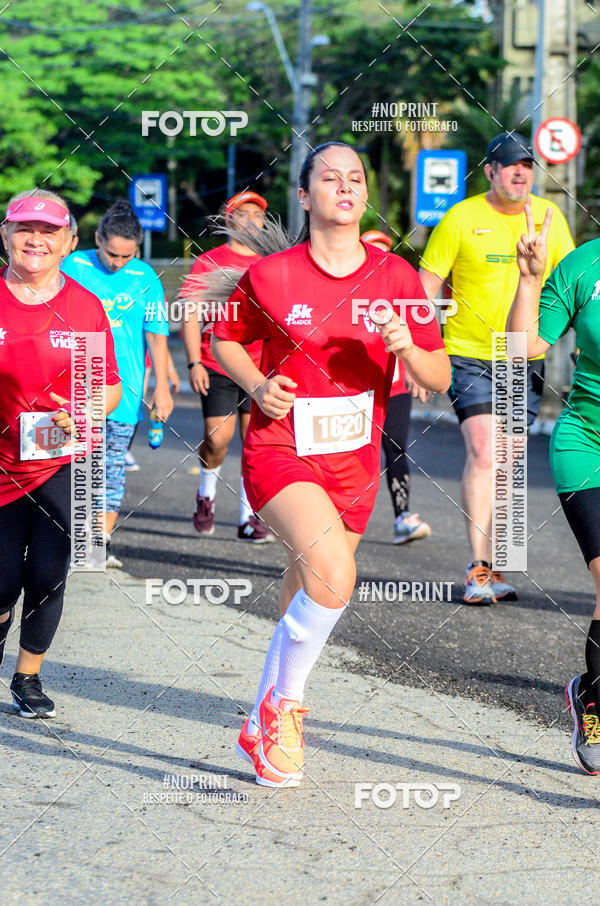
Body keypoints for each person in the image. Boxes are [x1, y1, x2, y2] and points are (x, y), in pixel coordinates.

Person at [211, 142, 450, 787]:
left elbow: (437, 374)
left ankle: (261, 718)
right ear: (304, 194)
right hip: (280, 448)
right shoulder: (271, 275)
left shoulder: (397, 277)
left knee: (306, 580)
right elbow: (225, 340)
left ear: (365, 194)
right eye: (329, 177)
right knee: (335, 575)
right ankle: (285, 708)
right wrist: (258, 385)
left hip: (355, 461)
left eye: (355, 178)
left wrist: (408, 348)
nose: (345, 187)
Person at [419, 131, 574, 604]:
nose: (521, 172)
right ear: (490, 171)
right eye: (510, 164)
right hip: (467, 353)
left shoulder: (550, 218)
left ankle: (501, 564)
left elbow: (571, 286)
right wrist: (420, 355)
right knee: (486, 453)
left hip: (521, 356)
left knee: (508, 462)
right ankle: (478, 566)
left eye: (527, 164)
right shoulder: (461, 217)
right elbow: (425, 289)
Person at [0, 189, 121, 717]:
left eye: (49, 232)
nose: (36, 240)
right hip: (2, 464)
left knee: (49, 574)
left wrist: (87, 408)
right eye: (24, 229)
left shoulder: (83, 307)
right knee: (2, 577)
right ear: (5, 235)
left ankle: (28, 678)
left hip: (65, 460)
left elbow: (108, 386)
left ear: (69, 241)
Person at [508, 207, 600, 774]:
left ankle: (588, 687)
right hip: (588, 444)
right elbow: (523, 346)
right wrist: (528, 279)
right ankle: (597, 708)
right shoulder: (584, 265)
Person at [62, 200, 173, 567]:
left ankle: (100, 542)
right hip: (75, 384)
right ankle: (69, 538)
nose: (118, 263)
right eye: (112, 254)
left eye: (127, 255)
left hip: (125, 389)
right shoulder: (73, 265)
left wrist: (161, 388)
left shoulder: (146, 278)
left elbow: (156, 336)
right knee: (76, 465)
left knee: (109, 468)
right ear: (97, 238)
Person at [180, 191, 274, 542]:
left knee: (255, 444)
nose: (252, 220)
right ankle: (206, 495)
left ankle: (250, 518)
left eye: (257, 214)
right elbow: (190, 314)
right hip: (217, 361)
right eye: (243, 213)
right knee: (217, 439)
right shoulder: (209, 262)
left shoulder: (272, 261)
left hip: (260, 367)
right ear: (229, 219)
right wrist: (193, 362)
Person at [361, 230, 431, 544]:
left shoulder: (401, 297)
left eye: (384, 253)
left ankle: (403, 516)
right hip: (353, 391)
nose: (379, 259)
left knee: (396, 448)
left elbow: (420, 337)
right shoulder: (344, 294)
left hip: (394, 388)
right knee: (354, 455)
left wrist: (416, 371)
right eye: (372, 251)